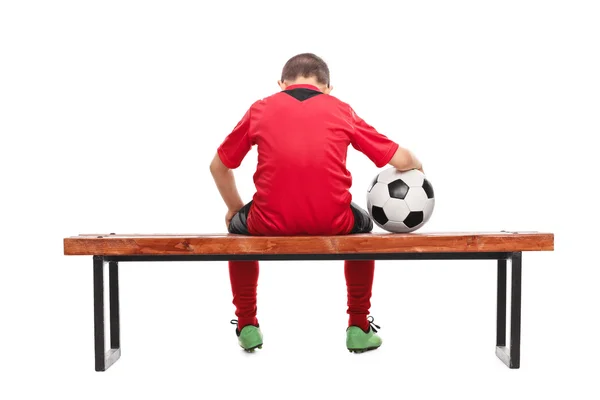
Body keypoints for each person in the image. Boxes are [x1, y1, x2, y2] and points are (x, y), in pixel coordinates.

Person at [210, 53, 423, 353]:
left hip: (267, 223)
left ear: (281, 84)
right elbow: (400, 158)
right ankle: (358, 328)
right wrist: (418, 166)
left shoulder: (260, 109)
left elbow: (218, 166)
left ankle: (247, 325)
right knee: (363, 231)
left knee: (237, 232)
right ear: (328, 88)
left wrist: (234, 209)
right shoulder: (341, 109)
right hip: (334, 221)